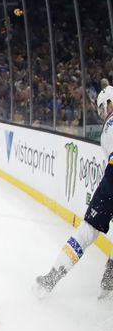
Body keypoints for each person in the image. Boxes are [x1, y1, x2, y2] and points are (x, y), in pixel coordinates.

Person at [35, 85, 113, 301]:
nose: (102, 113)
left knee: (86, 233)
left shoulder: (108, 129)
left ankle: (52, 278)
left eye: (103, 108)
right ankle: (108, 286)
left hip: (111, 181)